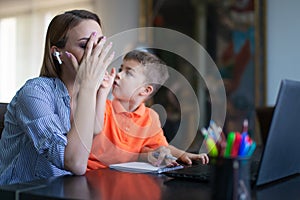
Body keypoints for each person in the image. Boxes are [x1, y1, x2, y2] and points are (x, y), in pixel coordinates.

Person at [0, 10, 114, 185]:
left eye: (98, 46)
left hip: (61, 189)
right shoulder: (34, 92)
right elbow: (75, 163)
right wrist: (88, 88)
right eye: (85, 46)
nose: (95, 55)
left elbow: (94, 130)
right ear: (58, 53)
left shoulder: (83, 93)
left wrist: (98, 91)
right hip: (21, 192)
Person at [87, 50, 209, 170]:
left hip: (122, 178)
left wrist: (183, 155)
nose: (119, 74)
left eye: (128, 73)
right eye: (121, 69)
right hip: (91, 175)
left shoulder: (151, 117)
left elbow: (162, 147)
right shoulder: (101, 106)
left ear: (145, 90)